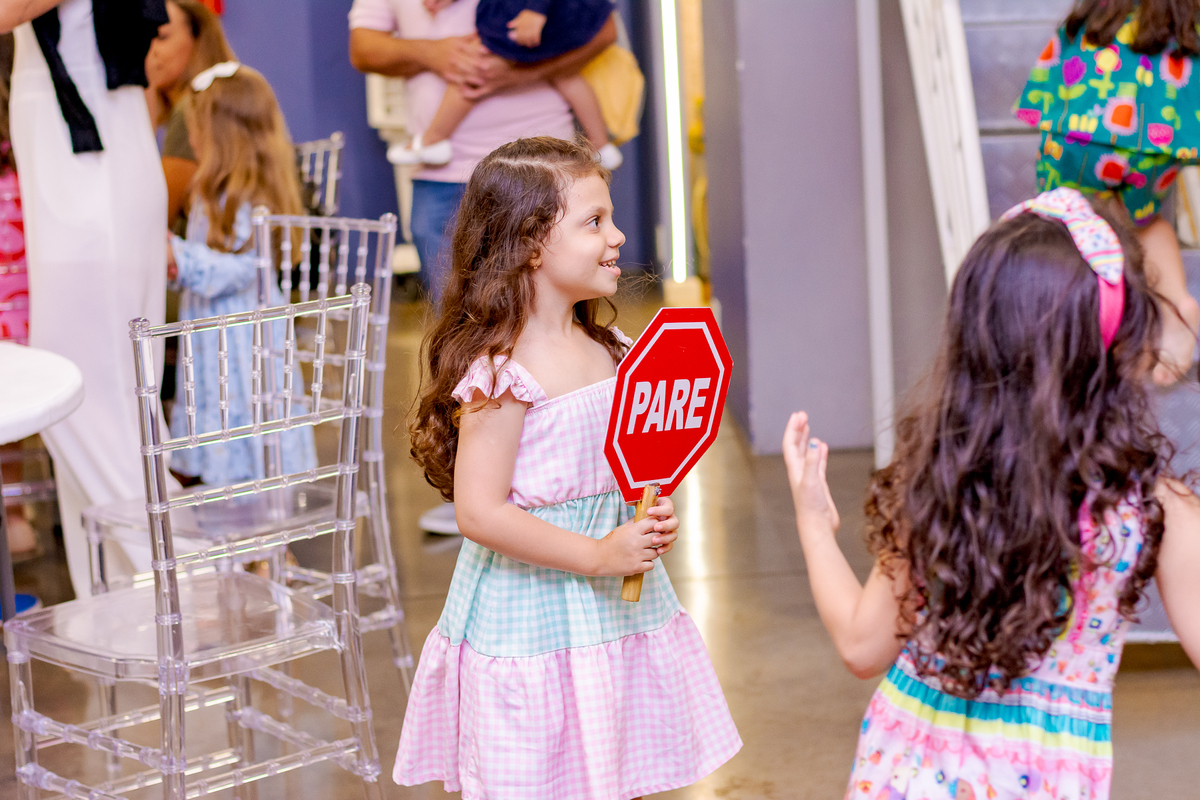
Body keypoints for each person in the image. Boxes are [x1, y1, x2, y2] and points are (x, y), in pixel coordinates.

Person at [783, 188, 1200, 800]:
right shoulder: (1153, 510)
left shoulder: (942, 479)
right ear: (1120, 339)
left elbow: (861, 646)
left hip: (902, 775)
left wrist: (814, 523)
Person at [398, 136, 740, 798]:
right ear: (531, 243)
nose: (617, 236)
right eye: (594, 222)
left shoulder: (613, 350)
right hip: (535, 615)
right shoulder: (504, 374)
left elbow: (618, 471)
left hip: (610, 609)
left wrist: (645, 514)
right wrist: (598, 555)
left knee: (610, 759)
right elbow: (479, 512)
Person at [5, 0, 170, 597]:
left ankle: (188, 571)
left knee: (86, 390)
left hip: (90, 163)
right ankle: (121, 603)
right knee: (105, 392)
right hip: (83, 145)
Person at [348, 0, 615, 302]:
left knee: (549, 308)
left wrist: (520, 71)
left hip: (542, 168)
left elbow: (604, 31)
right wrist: (432, 52)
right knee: (454, 312)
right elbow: (363, 49)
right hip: (441, 171)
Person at [1015, 0, 1200, 385]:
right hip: (1154, 142)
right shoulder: (1183, 19)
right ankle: (1175, 307)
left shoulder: (1099, 12)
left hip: (1080, 136)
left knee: (1065, 227)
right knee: (1145, 223)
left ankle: (1084, 330)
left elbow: (1058, 70)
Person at [166, 62, 314, 486]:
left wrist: (178, 255)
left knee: (246, 415)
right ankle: (227, 505)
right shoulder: (208, 194)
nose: (192, 141)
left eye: (197, 131)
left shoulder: (249, 196)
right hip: (212, 335)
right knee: (219, 407)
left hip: (242, 339)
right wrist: (178, 263)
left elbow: (243, 268)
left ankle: (256, 512)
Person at [389, 0, 622, 170]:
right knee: (567, 76)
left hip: (532, 13)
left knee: (476, 64)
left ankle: (433, 140)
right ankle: (601, 145)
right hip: (564, 16)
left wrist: (535, 10)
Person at [144, 0, 235, 231]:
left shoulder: (193, 110)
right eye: (144, 38)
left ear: (198, 39)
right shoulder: (211, 101)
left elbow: (155, 216)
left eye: (162, 37)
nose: (150, 50)